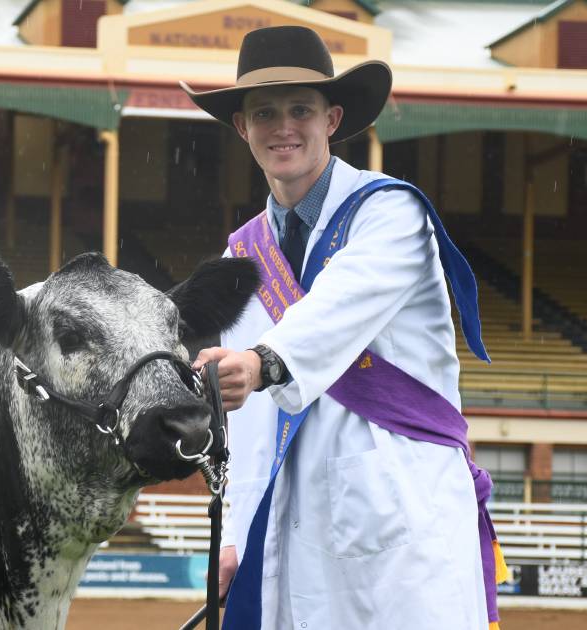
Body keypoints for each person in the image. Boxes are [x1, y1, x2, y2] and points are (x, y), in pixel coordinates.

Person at [184, 25, 500, 630]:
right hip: (291, 520)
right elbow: (246, 421)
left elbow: (337, 307)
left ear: (331, 119)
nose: (283, 128)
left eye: (300, 109)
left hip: (402, 510)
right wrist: (233, 531)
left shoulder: (392, 214)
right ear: (241, 128)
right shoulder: (240, 256)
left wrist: (259, 362)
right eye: (264, 113)